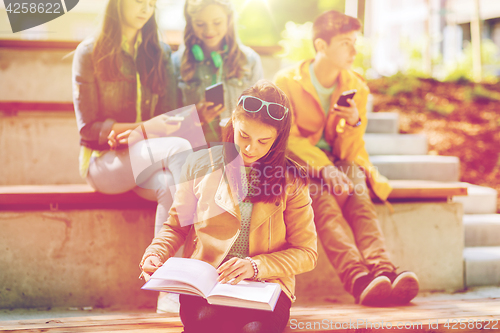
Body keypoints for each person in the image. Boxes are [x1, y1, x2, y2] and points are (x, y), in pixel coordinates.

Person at [140, 80, 317, 333]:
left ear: (278, 140)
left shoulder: (292, 180)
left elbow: (307, 252)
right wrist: (154, 254)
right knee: (206, 324)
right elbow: (176, 227)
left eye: (263, 141)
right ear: (233, 120)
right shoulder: (199, 164)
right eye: (244, 135)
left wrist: (255, 266)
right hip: (206, 285)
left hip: (266, 286)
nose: (250, 148)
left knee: (254, 330)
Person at [274, 10, 419, 306]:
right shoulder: (287, 82)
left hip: (341, 163)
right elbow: (288, 139)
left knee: (359, 196)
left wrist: (353, 122)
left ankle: (383, 270)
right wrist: (325, 169)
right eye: (345, 43)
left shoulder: (357, 87)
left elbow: (350, 152)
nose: (354, 50)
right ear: (321, 46)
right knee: (323, 204)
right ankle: (357, 278)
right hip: (301, 165)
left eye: (355, 42)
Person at [72, 0, 192, 271]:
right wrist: (139, 130)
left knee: (170, 183)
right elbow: (88, 130)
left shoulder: (159, 52)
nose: (146, 9)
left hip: (147, 160)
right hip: (104, 163)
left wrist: (142, 132)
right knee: (179, 148)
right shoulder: (89, 52)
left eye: (151, 4)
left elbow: (170, 118)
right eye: (139, 1)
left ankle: (169, 288)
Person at [172, 0, 264, 146]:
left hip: (239, 153)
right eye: (200, 24)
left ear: (229, 20)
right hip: (196, 153)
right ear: (190, 23)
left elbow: (262, 116)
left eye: (217, 22)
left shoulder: (250, 60)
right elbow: (167, 121)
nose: (209, 31)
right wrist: (195, 117)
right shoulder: (177, 62)